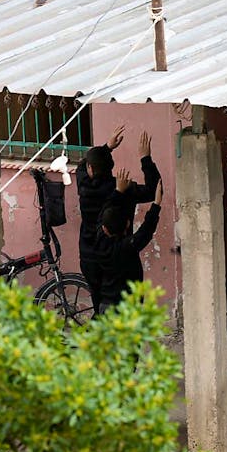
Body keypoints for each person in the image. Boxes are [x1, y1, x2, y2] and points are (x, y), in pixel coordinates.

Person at [76, 127, 159, 313]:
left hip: (90, 256)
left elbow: (82, 166)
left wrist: (107, 147)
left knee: (100, 307)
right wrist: (145, 158)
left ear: (90, 168)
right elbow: (154, 190)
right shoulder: (123, 189)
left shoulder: (83, 184)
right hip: (121, 257)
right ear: (111, 167)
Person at [92, 169, 163, 313]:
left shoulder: (99, 241)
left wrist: (118, 191)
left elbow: (104, 213)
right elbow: (146, 230)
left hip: (106, 305)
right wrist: (156, 204)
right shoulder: (126, 248)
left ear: (104, 228)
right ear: (128, 224)